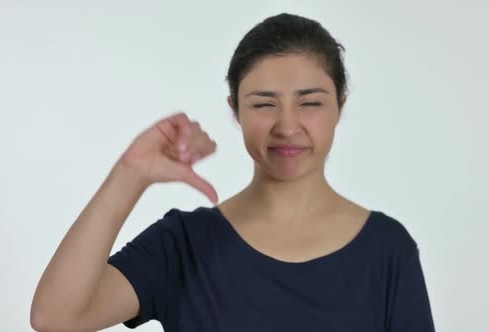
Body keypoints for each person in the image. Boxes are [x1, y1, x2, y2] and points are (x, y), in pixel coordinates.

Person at [30, 12, 435, 332]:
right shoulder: (185, 244)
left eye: (310, 103)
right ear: (235, 109)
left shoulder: (387, 250)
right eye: (263, 104)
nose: (287, 125)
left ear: (340, 107)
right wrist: (130, 174)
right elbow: (56, 318)